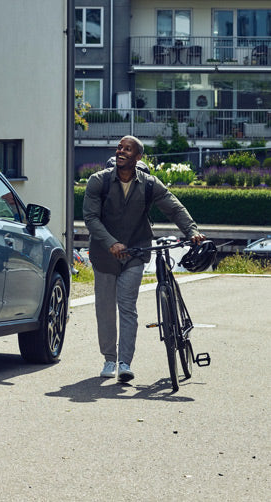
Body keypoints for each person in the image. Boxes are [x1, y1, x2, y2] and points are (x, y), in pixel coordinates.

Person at [82, 135, 205, 382]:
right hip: (105, 255)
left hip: (136, 253)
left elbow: (174, 207)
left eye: (128, 149)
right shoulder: (99, 181)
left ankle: (125, 362)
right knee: (105, 310)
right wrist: (111, 243)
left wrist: (191, 231)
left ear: (138, 157)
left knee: (127, 307)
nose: (121, 151)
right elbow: (91, 218)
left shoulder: (149, 184)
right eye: (119, 147)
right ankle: (109, 359)